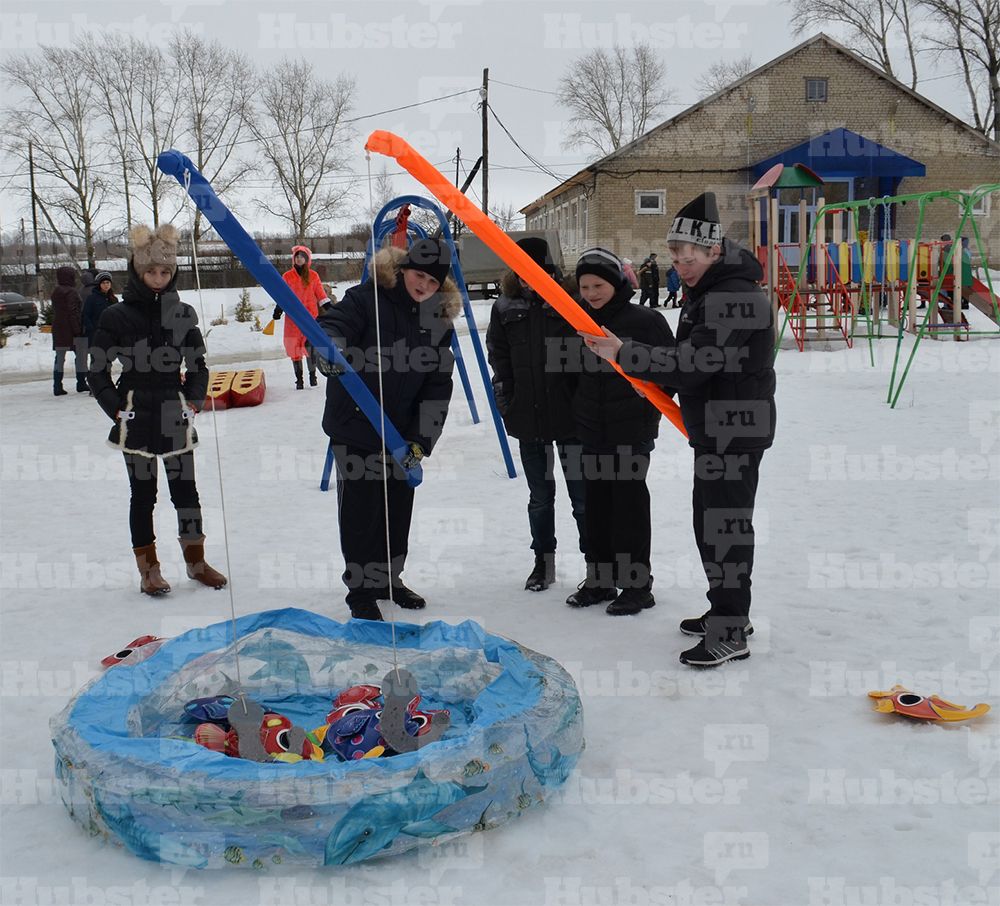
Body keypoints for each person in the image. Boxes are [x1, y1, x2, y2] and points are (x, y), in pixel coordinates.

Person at [581, 193, 776, 665]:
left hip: (734, 430)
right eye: (675, 255)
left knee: (724, 529)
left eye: (691, 257)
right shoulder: (711, 290)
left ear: (714, 251)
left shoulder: (733, 297)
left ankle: (731, 630)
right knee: (708, 524)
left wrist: (622, 352)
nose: (682, 265)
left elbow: (693, 364)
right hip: (714, 427)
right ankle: (727, 611)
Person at [316, 238, 459, 621]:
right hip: (356, 426)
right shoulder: (367, 298)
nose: (423, 285)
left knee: (397, 511)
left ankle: (389, 580)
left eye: (432, 281)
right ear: (404, 268)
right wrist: (329, 348)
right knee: (361, 512)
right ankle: (361, 592)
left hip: (400, 437)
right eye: (418, 275)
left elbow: (437, 387)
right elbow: (334, 324)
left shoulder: (438, 323)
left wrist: (420, 440)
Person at [88, 224, 227, 596]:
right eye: (151, 271)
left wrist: (194, 399)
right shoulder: (116, 317)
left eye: (165, 272)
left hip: (174, 412)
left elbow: (198, 365)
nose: (158, 278)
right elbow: (96, 370)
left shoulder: (182, 314)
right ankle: (148, 570)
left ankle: (197, 563)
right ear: (137, 270)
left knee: (187, 493)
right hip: (134, 415)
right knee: (143, 495)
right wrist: (115, 406)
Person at [568, 247, 674, 616]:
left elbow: (669, 369)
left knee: (628, 508)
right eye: (584, 286)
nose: (591, 293)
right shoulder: (577, 321)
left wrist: (647, 399)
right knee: (595, 507)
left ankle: (636, 586)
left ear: (615, 282)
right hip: (591, 430)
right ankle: (599, 580)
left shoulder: (645, 321)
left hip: (632, 430)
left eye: (598, 284)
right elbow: (568, 375)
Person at [487, 237, 586, 592]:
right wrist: (506, 401)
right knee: (540, 497)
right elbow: (498, 358)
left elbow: (588, 356)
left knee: (582, 497)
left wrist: (582, 402)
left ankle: (595, 565)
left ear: (549, 271)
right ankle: (543, 562)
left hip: (571, 418)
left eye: (538, 272)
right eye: (524, 273)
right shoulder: (505, 308)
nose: (531, 280)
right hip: (527, 417)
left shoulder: (568, 302)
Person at [272, 245, 330, 389]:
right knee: (294, 348)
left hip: (310, 317)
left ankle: (313, 377)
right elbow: (282, 296)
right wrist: (278, 309)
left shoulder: (313, 276)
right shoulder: (287, 276)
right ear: (294, 259)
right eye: (297, 256)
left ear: (307, 259)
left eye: (302, 257)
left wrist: (331, 309)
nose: (299, 259)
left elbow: (321, 295)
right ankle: (299, 380)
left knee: (310, 347)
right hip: (293, 318)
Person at [50, 266, 87, 396]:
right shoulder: (71, 292)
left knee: (59, 358)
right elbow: (73, 312)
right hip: (71, 329)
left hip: (58, 328)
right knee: (80, 357)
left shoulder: (56, 291)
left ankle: (57, 385)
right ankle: (81, 383)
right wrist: (78, 330)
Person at [82, 271, 117, 344]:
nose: (106, 285)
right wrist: (92, 329)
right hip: (96, 334)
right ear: (99, 284)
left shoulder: (114, 299)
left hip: (111, 334)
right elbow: (85, 315)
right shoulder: (92, 298)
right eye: (103, 283)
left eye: (108, 282)